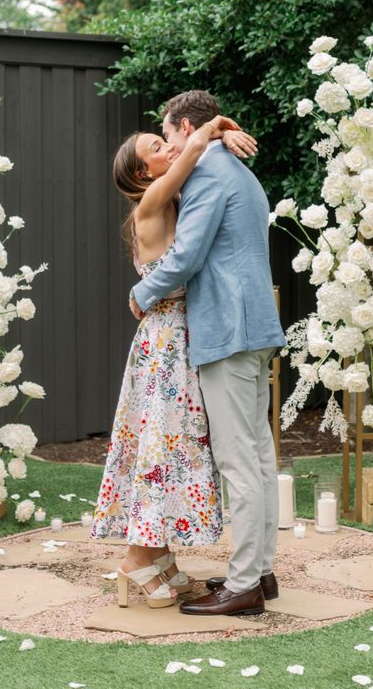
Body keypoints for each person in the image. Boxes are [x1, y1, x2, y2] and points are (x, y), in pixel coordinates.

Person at [91, 112, 258, 609]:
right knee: (159, 445)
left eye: (163, 141)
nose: (168, 149)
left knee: (173, 443)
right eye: (155, 148)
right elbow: (190, 155)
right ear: (143, 173)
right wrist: (211, 128)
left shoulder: (170, 201)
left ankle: (158, 553)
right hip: (165, 341)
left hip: (179, 336)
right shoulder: (151, 201)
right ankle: (136, 560)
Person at [129, 90, 286, 617]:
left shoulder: (208, 175)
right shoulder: (236, 170)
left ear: (182, 127)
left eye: (165, 134)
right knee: (257, 456)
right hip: (254, 327)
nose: (169, 145)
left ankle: (243, 586)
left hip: (228, 329)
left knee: (238, 460)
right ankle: (260, 572)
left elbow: (187, 255)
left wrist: (142, 293)